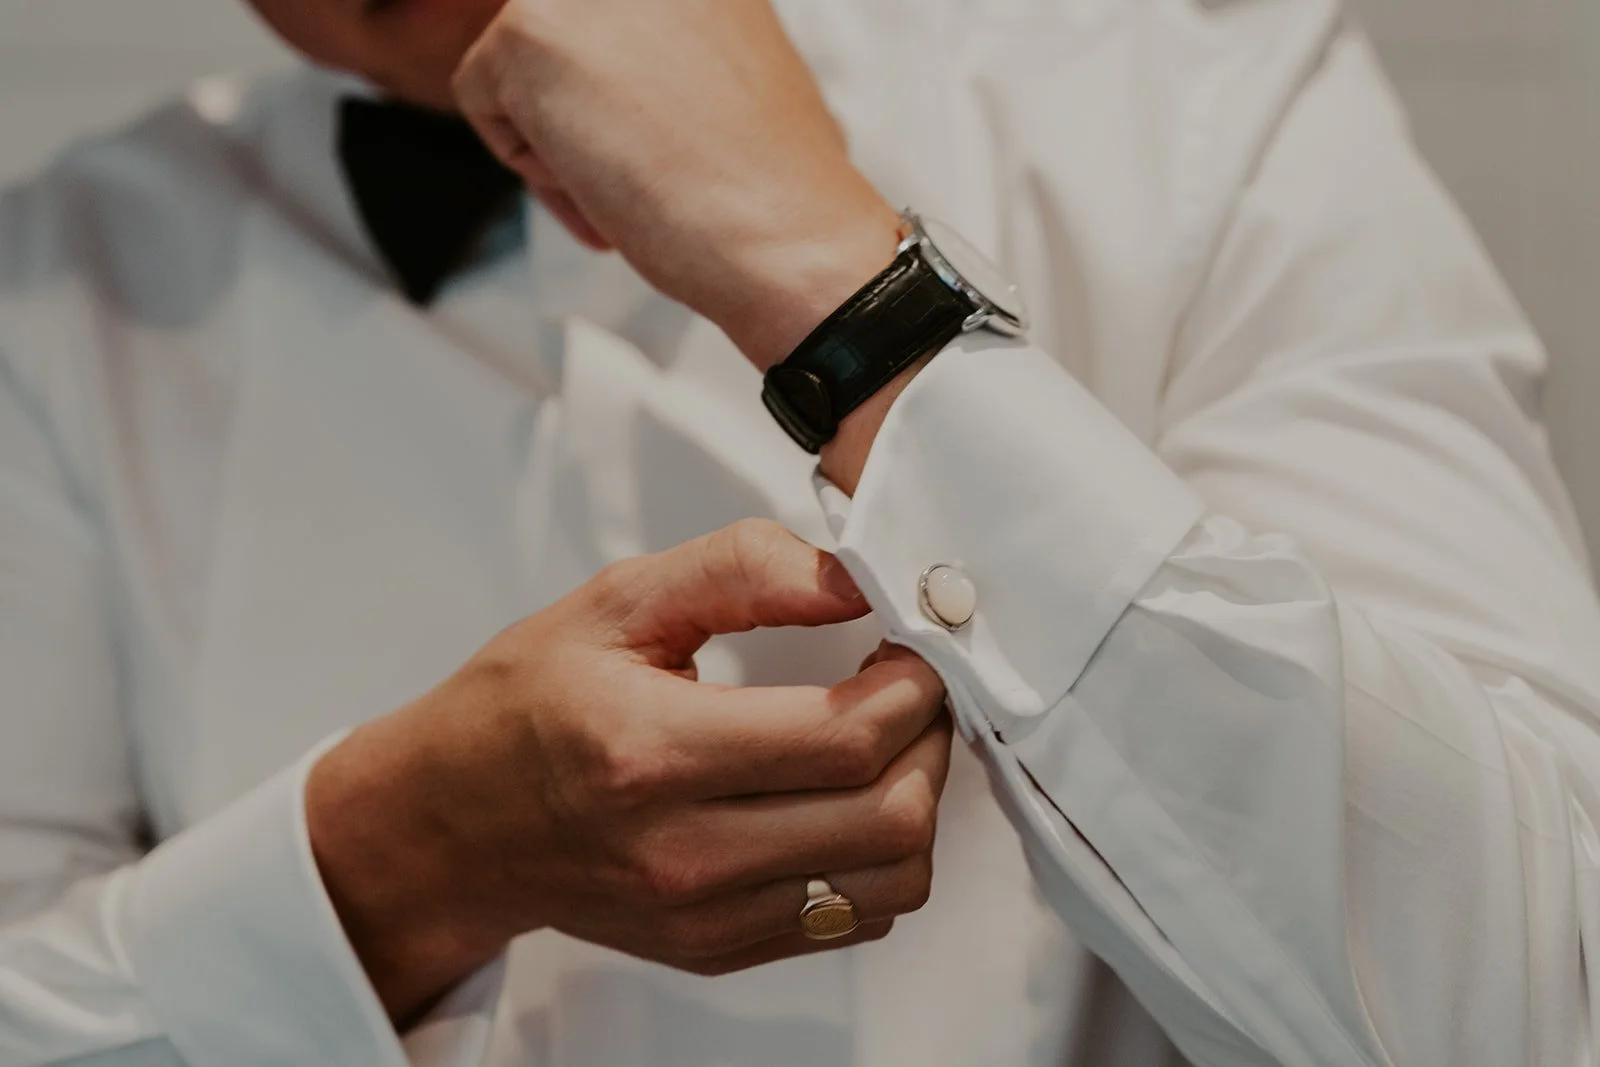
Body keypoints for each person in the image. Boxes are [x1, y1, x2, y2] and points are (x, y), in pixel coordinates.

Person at [3, 0, 1598, 1064]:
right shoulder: (62, 292)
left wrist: (857, 300)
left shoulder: (1205, 118)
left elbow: (1535, 1002)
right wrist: (396, 862)